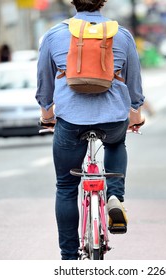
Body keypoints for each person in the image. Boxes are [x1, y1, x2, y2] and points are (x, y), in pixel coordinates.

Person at [35, 0, 145, 260]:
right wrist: (136, 113)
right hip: (113, 119)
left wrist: (46, 114)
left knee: (65, 187)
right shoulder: (122, 34)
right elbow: (134, 82)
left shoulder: (53, 35)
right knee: (116, 143)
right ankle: (115, 197)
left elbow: (44, 85)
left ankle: (69, 258)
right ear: (102, 2)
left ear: (73, 2)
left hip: (71, 120)